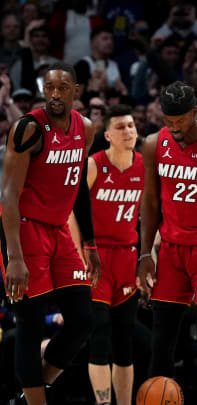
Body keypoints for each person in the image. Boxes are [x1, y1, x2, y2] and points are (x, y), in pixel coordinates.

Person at [1, 62, 100, 405]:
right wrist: (14, 257)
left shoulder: (85, 129)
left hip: (59, 231)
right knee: (30, 326)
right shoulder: (28, 129)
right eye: (49, 89)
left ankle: (29, 397)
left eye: (62, 88)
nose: (55, 95)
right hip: (24, 230)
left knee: (83, 321)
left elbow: (79, 189)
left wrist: (89, 241)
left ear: (76, 90)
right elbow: (8, 195)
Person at [136, 81, 197, 405]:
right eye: (169, 122)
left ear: (195, 112)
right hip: (171, 251)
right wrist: (144, 254)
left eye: (181, 121)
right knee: (162, 340)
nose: (175, 128)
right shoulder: (153, 143)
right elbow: (150, 203)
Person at [79, 104, 142, 405]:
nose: (128, 131)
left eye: (131, 125)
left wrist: (147, 257)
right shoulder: (93, 165)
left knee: (124, 340)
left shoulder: (145, 166)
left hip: (128, 258)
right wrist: (82, 253)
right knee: (100, 334)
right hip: (97, 258)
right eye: (120, 127)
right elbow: (72, 212)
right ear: (107, 135)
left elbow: (154, 215)